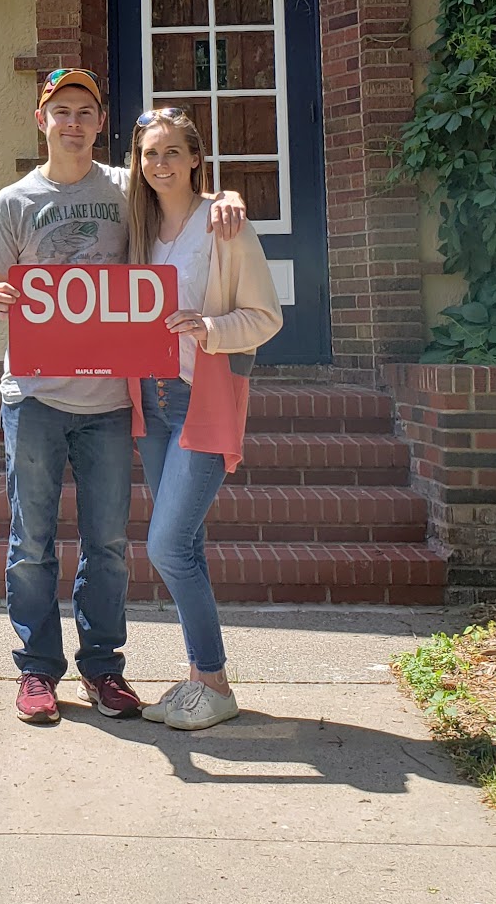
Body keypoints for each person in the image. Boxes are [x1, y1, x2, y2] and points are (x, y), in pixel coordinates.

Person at [0, 68, 244, 725]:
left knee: (106, 545)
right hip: (34, 395)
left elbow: (181, 193)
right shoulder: (12, 201)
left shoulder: (127, 189)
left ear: (100, 123)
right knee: (32, 542)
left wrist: (227, 197)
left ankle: (103, 668)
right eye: (60, 111)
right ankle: (37, 671)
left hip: (108, 402)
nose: (72, 122)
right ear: (41, 121)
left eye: (85, 111)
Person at [124, 105, 283, 730]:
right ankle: (198, 678)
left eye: (173, 152)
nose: (160, 164)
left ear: (195, 159)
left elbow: (265, 317)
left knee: (166, 544)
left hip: (202, 396)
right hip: (152, 400)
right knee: (185, 543)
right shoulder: (135, 227)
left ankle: (214, 681)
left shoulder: (224, 226)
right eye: (150, 153)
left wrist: (210, 328)